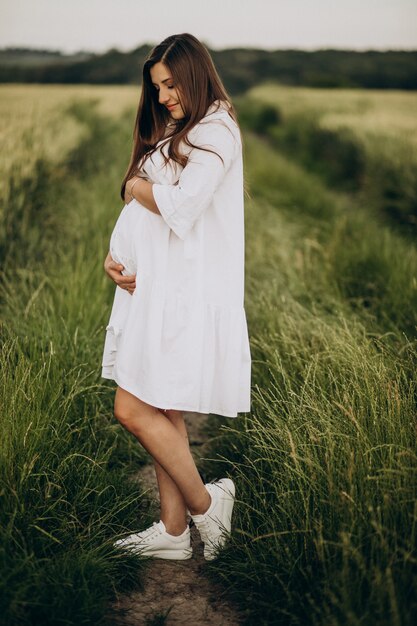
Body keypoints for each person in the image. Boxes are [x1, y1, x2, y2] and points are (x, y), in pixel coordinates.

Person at [101, 33, 251, 561]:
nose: (163, 95)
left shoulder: (217, 130)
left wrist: (130, 187)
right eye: (157, 86)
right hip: (155, 289)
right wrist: (117, 257)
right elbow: (150, 212)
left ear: (193, 73)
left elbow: (180, 206)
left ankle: (209, 505)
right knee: (161, 405)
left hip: (185, 294)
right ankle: (171, 530)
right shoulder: (183, 128)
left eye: (170, 83)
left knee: (131, 407)